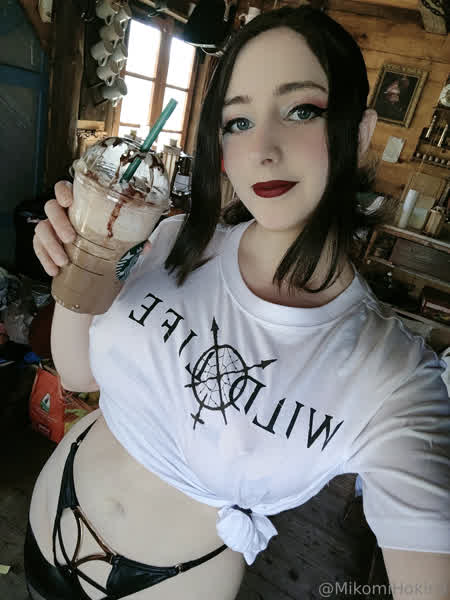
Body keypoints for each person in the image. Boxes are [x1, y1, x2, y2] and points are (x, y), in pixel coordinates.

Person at [26, 5, 449, 600]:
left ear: (358, 133)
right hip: (49, 514)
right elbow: (78, 374)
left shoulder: (393, 378)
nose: (263, 150)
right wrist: (79, 261)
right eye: (238, 121)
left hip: (172, 584)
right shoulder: (173, 239)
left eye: (301, 110)